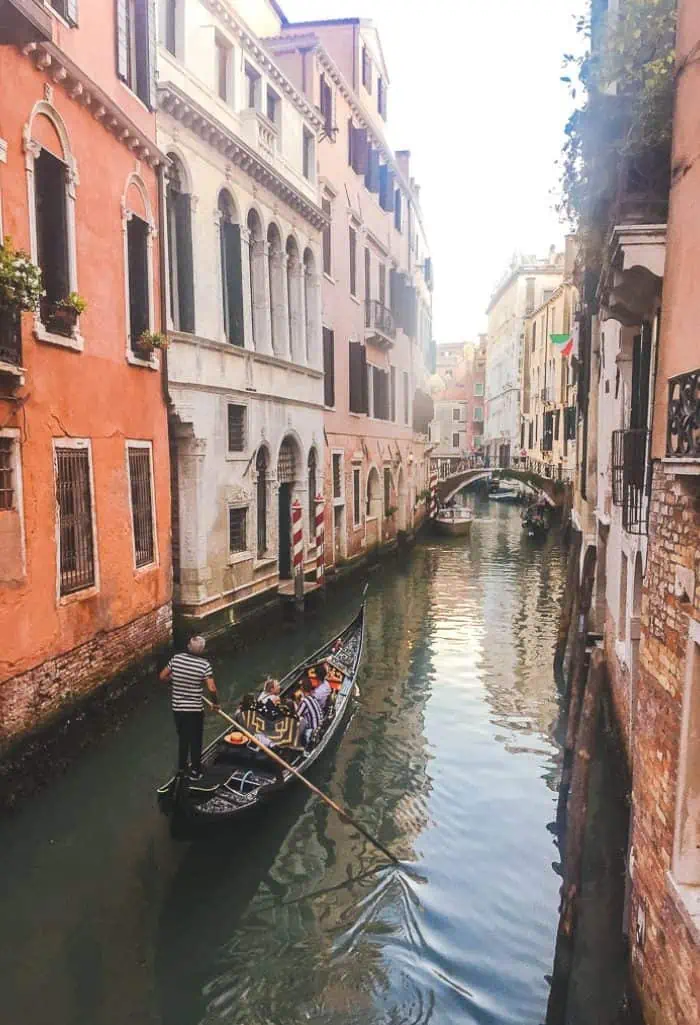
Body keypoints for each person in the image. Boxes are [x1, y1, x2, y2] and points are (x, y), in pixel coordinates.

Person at [159, 635, 219, 780]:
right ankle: (196, 772)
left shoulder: (177, 658)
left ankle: (181, 768)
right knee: (195, 740)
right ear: (202, 650)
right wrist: (215, 703)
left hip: (178, 709)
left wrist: (175, 681)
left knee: (183, 738)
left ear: (188, 646)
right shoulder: (204, 665)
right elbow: (211, 688)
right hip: (194, 710)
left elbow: (162, 676)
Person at [298, 677, 323, 746]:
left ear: (302, 688)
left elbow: (296, 717)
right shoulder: (313, 698)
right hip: (320, 726)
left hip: (312, 732)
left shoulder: (304, 702)